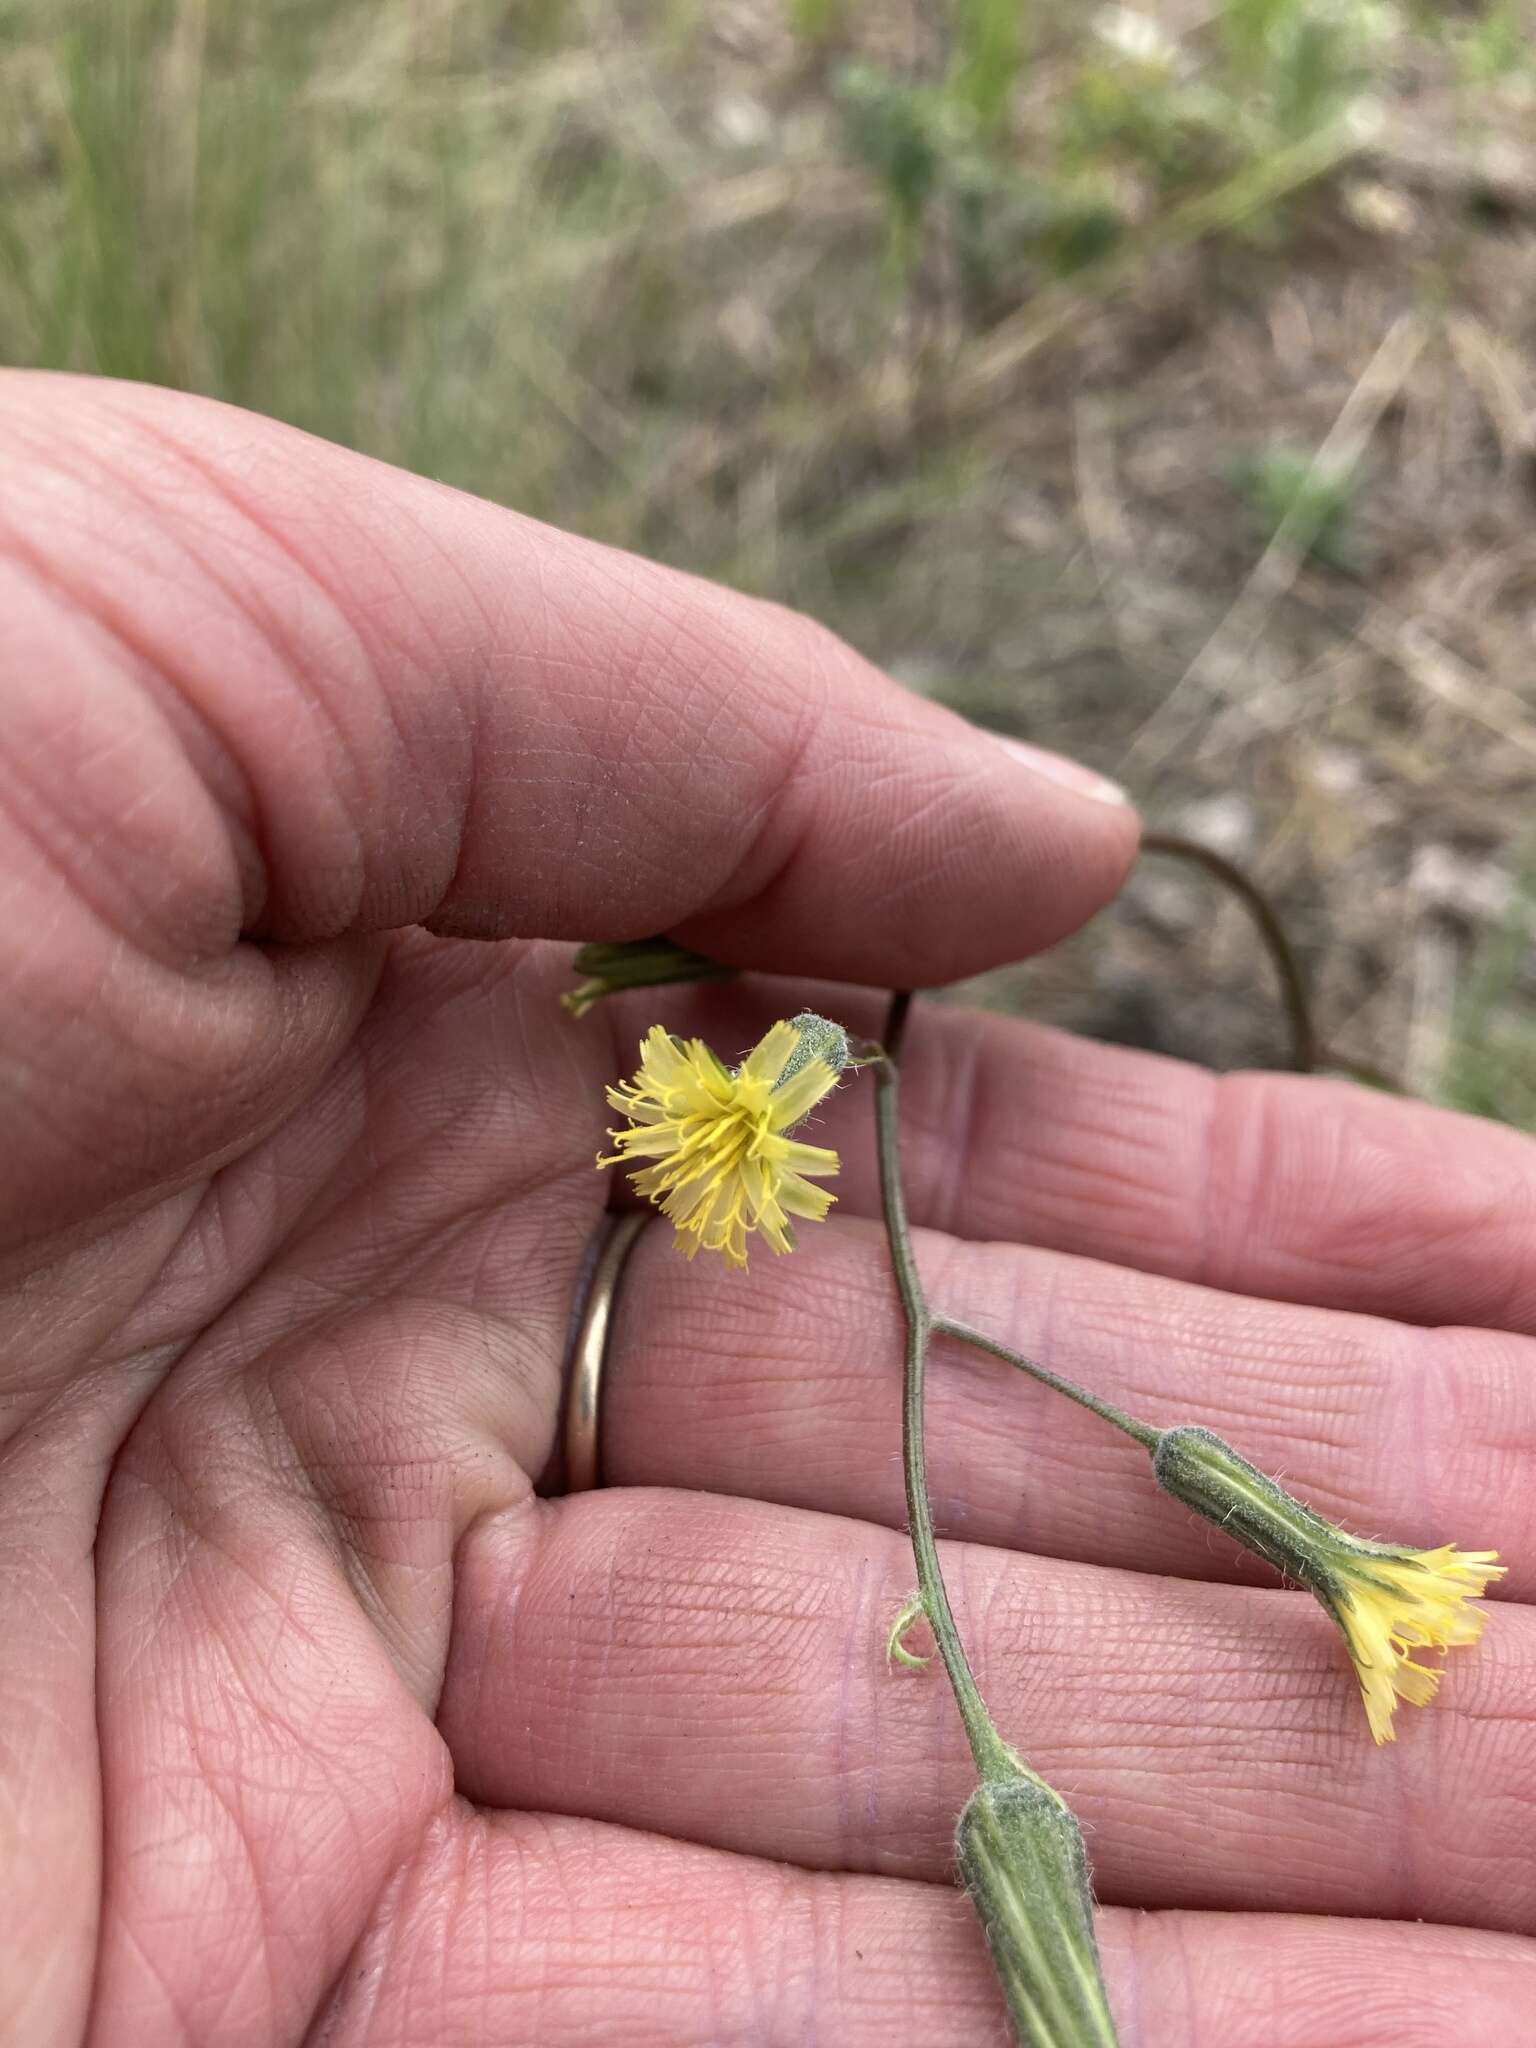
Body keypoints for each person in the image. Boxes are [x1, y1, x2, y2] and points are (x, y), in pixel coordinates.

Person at [2, 371, 1531, 2048]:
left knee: (1154, 1438)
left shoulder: (787, 1081)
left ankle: (1342, 1572)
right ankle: (1332, 1589)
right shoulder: (792, 1070)